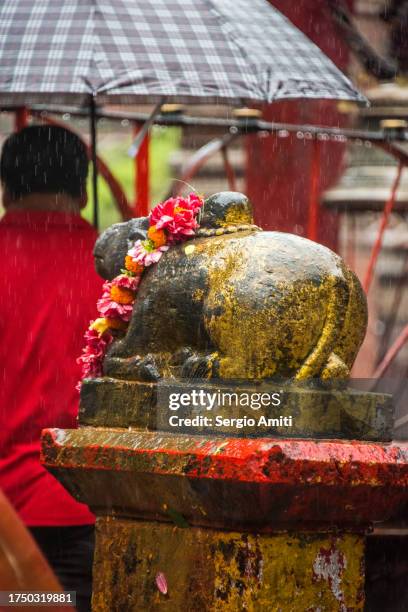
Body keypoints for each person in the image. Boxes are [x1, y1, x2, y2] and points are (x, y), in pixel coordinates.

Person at [0, 125, 102, 611]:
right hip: (92, 503)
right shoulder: (120, 272)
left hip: (7, 523)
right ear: (83, 191)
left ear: (5, 189)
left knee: (22, 605)